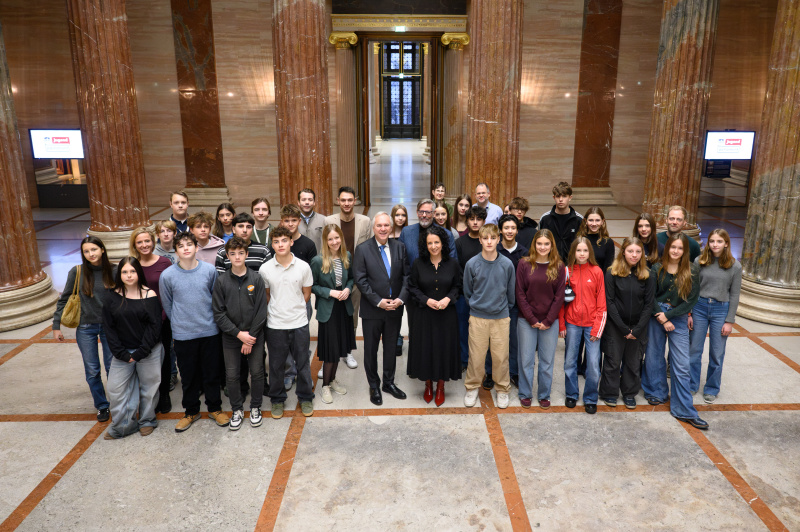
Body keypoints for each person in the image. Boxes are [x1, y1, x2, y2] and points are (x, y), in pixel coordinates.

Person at [159, 232, 230, 432]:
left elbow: (216, 299)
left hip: (209, 331)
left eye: (189, 244)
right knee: (188, 376)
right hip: (184, 334)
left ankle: (215, 408)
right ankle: (191, 411)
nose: (186, 248)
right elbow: (168, 304)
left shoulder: (209, 271)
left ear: (197, 247)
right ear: (176, 251)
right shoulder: (168, 275)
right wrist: (182, 324)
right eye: (181, 246)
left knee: (212, 373)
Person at [642, 234, 704, 429]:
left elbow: (691, 300)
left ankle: (683, 408)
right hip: (656, 314)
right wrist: (660, 314)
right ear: (667, 248)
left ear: (685, 251)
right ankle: (656, 392)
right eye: (673, 247)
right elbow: (649, 296)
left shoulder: (692, 271)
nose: (676, 251)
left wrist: (669, 317)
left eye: (680, 248)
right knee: (654, 356)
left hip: (678, 316)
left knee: (682, 363)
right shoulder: (656, 268)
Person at [52, 236, 115, 422]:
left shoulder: (114, 270)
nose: (91, 254)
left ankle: (118, 402)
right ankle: (102, 406)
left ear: (102, 250)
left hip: (109, 326)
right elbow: (64, 299)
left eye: (94, 249)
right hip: (86, 327)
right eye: (86, 251)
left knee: (113, 367)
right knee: (92, 369)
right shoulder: (77, 272)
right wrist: (56, 326)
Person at [101, 257, 163, 439]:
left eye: (132, 271)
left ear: (139, 273)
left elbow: (155, 326)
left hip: (148, 351)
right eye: (125, 272)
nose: (129, 275)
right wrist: (120, 352)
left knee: (149, 388)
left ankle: (147, 421)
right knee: (115, 389)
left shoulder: (149, 295)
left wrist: (141, 352)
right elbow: (108, 328)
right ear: (119, 274)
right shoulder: (111, 297)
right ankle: (123, 425)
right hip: (122, 353)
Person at [353, 212, 410, 406]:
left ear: (391, 228)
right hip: (373, 309)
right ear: (373, 228)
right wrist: (378, 301)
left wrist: (401, 299)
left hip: (395, 308)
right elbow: (360, 279)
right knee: (370, 349)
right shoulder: (362, 249)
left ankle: (388, 382)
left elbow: (406, 277)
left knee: (391, 347)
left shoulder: (400, 247)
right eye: (379, 225)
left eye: (387, 225)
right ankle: (374, 385)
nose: (383, 228)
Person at [259, 226, 315, 419]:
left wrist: (294, 308)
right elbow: (267, 296)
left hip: (299, 322)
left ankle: (306, 397)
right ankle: (277, 399)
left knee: (302, 363)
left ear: (291, 242)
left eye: (284, 240)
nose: (280, 244)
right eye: (276, 241)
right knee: (276, 364)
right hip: (275, 324)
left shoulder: (303, 267)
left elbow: (306, 294)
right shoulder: (265, 269)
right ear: (272, 244)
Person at [212, 237, 268, 431]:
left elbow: (261, 310)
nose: (237, 257)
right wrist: (238, 334)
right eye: (233, 254)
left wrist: (250, 337)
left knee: (258, 372)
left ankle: (255, 407)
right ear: (227, 256)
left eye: (241, 253)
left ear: (246, 254)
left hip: (255, 336)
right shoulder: (221, 281)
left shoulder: (256, 278)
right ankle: (237, 409)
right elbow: (218, 313)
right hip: (231, 337)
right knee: (233, 374)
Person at [462, 224, 516, 409]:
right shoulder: (472, 264)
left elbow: (511, 293)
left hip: (501, 318)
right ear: (480, 240)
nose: (489, 241)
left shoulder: (507, 264)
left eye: (493, 238)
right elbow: (468, 292)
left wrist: (502, 310)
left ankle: (502, 389)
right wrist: (478, 308)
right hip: (478, 318)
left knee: (500, 356)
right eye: (485, 238)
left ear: (498, 239)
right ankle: (472, 387)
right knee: (476, 357)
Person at [407, 225, 462, 406]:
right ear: (425, 245)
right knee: (426, 349)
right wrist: (425, 300)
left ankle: (440, 386)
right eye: (429, 243)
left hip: (447, 315)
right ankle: (428, 384)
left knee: (444, 348)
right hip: (424, 315)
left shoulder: (453, 263)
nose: (433, 246)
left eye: (436, 242)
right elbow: (412, 287)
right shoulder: (418, 263)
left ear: (442, 243)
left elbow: (458, 286)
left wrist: (448, 298)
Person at [599, 237, 654, 410]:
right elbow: (610, 301)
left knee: (633, 362)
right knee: (613, 361)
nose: (634, 255)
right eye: (630, 251)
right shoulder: (611, 272)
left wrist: (636, 329)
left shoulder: (648, 275)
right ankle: (609, 393)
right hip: (616, 326)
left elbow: (649, 304)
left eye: (638, 252)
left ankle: (629, 393)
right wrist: (623, 327)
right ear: (623, 252)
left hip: (638, 327)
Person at [689, 229, 742, 404]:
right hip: (699, 307)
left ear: (726, 243)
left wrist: (729, 321)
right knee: (695, 350)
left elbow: (734, 295)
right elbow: (692, 288)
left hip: (721, 309)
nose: (715, 245)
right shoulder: (700, 261)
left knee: (717, 353)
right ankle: (691, 384)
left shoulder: (735, 266)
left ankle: (711, 388)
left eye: (719, 241)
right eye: (712, 241)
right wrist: (689, 312)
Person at [516, 229, 565, 409]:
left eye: (546, 244)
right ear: (534, 245)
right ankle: (525, 393)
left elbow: (559, 296)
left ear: (551, 245)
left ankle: (544, 394)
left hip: (549, 322)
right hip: (526, 320)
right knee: (526, 360)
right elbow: (520, 293)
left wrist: (548, 320)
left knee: (546, 361)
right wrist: (531, 318)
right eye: (539, 244)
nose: (542, 247)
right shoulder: (524, 264)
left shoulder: (559, 266)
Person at [325, 186, 373, 366]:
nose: (346, 203)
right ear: (338, 200)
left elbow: (368, 248)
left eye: (350, 200)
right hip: (332, 276)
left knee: (351, 315)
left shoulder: (365, 221)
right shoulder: (329, 220)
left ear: (355, 201)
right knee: (331, 316)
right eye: (343, 200)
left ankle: (348, 351)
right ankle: (332, 351)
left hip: (354, 278)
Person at [559, 237, 607, 414]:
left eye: (585, 251)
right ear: (573, 252)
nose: (581, 254)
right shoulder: (567, 271)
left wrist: (597, 328)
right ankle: (571, 393)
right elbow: (561, 302)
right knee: (570, 361)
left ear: (590, 253)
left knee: (593, 364)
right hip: (572, 324)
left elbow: (602, 303)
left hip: (592, 325)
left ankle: (590, 398)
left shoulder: (597, 272)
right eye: (578, 250)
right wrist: (562, 324)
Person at [129, 227, 174, 414]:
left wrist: (163, 317)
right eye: (139, 242)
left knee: (164, 357)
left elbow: (170, 292)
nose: (144, 245)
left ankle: (164, 394)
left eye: (147, 241)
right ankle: (149, 396)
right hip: (140, 321)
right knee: (146, 358)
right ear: (134, 245)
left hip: (163, 319)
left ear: (153, 241)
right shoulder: (133, 265)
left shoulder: (165, 262)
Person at [310, 225, 355, 404]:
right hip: (328, 308)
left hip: (343, 307)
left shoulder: (347, 256)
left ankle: (333, 380)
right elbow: (311, 285)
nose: (334, 242)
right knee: (330, 350)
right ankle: (324, 386)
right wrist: (330, 292)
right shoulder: (318, 261)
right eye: (330, 239)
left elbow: (351, 278)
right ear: (325, 241)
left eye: (337, 238)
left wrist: (347, 289)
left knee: (340, 347)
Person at [497, 214, 528, 388]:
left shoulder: (524, 253)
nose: (509, 231)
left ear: (517, 230)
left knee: (514, 341)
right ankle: (490, 372)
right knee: (493, 341)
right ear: (500, 230)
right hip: (496, 304)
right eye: (506, 228)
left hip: (516, 304)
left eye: (513, 228)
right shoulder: (494, 250)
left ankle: (514, 372)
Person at [455, 206, 487, 370]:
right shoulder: (460, 242)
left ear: (484, 221)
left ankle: (480, 362)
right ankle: (464, 360)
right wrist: (468, 291)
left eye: (478, 219)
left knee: (482, 332)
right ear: (467, 221)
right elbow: (458, 269)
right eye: (472, 219)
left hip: (484, 295)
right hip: (463, 295)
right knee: (463, 329)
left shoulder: (488, 242)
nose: (475, 222)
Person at [400, 199, 457, 270]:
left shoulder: (447, 234)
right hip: (411, 279)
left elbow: (452, 263)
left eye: (427, 212)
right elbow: (401, 262)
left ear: (434, 214)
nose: (424, 215)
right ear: (417, 213)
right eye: (421, 212)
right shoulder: (406, 232)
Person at [538, 181, 582, 261]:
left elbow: (582, 244)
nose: (561, 200)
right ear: (554, 197)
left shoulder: (578, 219)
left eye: (564, 196)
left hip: (572, 264)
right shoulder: (545, 218)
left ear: (570, 198)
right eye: (558, 196)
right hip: (549, 263)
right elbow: (539, 241)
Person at [577, 207, 616, 272]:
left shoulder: (608, 242)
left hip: (599, 279)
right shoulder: (579, 240)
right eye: (591, 220)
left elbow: (608, 268)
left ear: (602, 221)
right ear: (585, 221)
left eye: (597, 220)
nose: (594, 224)